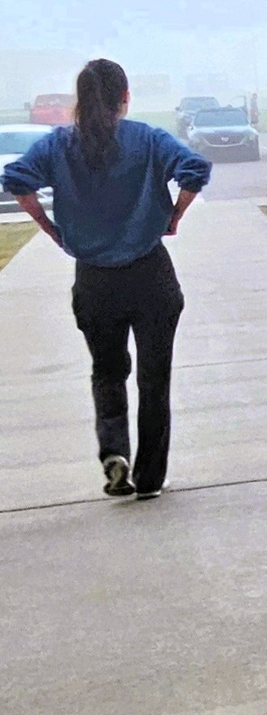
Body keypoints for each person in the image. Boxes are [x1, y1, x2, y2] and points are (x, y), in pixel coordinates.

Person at [2, 58, 211, 499]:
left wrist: (50, 227)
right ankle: (150, 478)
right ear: (125, 98)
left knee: (107, 371)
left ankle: (114, 452)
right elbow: (195, 170)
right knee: (155, 378)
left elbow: (16, 178)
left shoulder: (59, 145)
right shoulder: (148, 139)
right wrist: (174, 217)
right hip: (150, 273)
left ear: (81, 101)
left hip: (95, 279)